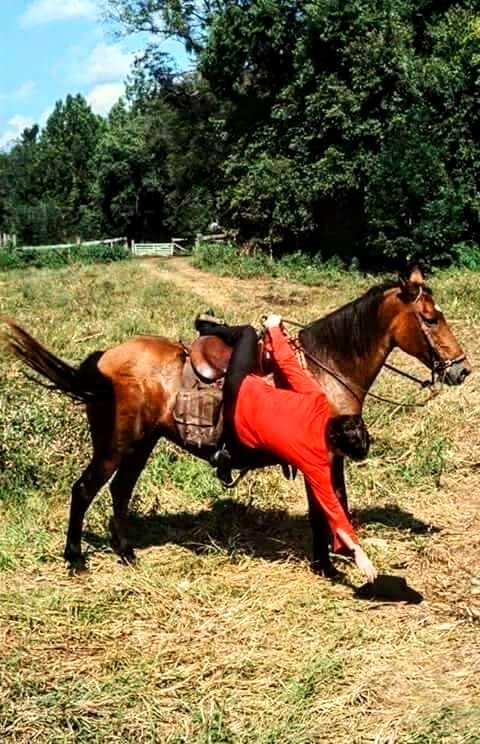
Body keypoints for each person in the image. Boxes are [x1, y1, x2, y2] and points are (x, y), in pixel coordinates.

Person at [195, 312, 378, 583]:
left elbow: (287, 363)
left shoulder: (318, 399)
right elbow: (332, 508)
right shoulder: (316, 462)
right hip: (239, 420)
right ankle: (206, 329)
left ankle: (212, 329)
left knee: (245, 332)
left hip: (241, 388)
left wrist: (273, 329)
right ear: (339, 450)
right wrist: (356, 549)